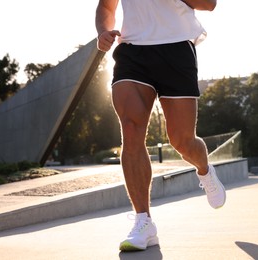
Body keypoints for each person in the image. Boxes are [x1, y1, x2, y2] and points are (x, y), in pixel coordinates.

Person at [95, 0, 225, 251]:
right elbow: (106, 7)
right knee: (131, 130)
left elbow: (209, 4)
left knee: (182, 141)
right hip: (132, 50)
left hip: (176, 47)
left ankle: (205, 169)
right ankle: (143, 221)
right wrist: (102, 31)